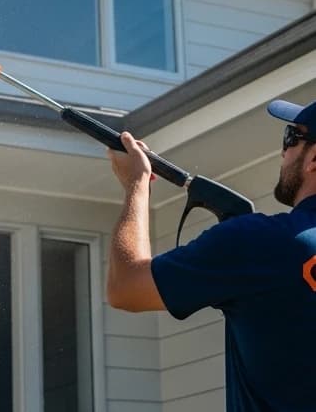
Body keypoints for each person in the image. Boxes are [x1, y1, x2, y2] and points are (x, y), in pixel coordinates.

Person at [106, 98, 316, 411]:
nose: (284, 152)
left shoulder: (261, 241)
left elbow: (126, 288)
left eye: (291, 137)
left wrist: (136, 184)